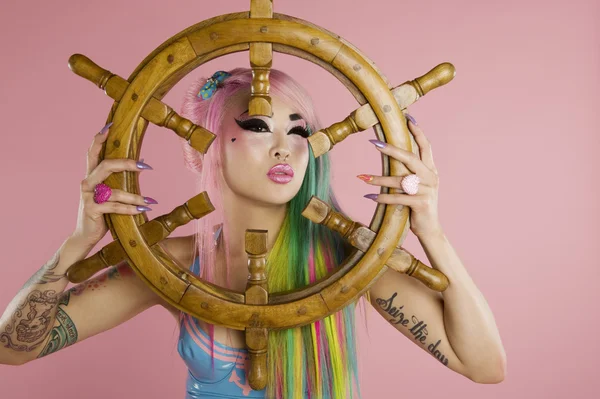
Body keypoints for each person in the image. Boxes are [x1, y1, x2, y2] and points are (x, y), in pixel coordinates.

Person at [0, 67, 507, 398]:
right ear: (199, 149)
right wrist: (79, 242)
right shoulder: (170, 264)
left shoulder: (348, 260)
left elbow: (483, 366)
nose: (286, 147)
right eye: (260, 127)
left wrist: (431, 233)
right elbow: (13, 348)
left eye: (299, 129)